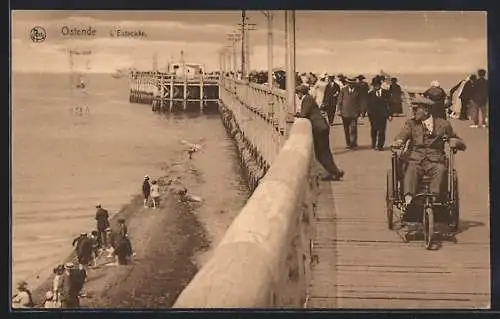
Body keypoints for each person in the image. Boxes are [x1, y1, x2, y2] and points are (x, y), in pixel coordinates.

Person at [391, 95, 466, 208]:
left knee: (440, 170)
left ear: (426, 110)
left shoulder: (443, 124)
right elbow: (403, 134)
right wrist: (399, 141)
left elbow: (460, 142)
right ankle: (408, 201)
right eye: (413, 108)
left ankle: (433, 199)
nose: (413, 111)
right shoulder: (411, 124)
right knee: (411, 169)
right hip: (416, 160)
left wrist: (454, 142)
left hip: (435, 161)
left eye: (417, 109)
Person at [294, 84, 344, 181]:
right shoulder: (309, 98)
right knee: (324, 152)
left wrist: (296, 114)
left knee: (321, 153)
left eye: (297, 93)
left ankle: (335, 172)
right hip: (322, 127)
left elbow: (304, 114)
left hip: (319, 128)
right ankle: (333, 171)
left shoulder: (307, 99)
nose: (297, 95)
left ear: (301, 93)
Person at [367, 79, 392, 151]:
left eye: (376, 85)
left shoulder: (386, 93)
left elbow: (389, 105)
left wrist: (390, 115)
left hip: (383, 115)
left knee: (382, 131)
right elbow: (368, 105)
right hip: (373, 115)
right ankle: (374, 144)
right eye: (374, 85)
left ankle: (380, 146)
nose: (375, 86)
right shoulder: (370, 94)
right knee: (374, 130)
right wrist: (369, 114)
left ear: (380, 85)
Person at [336, 78, 362, 149]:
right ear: (348, 83)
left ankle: (353, 143)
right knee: (346, 129)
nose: (351, 85)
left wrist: (361, 111)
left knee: (353, 129)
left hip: (354, 113)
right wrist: (338, 110)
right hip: (345, 113)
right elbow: (339, 101)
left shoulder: (358, 91)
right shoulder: (343, 90)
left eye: (353, 83)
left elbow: (360, 102)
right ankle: (348, 143)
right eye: (350, 83)